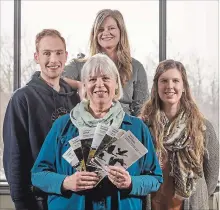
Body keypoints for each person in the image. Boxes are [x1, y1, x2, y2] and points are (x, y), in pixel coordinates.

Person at [31, 53, 163, 210]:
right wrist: (66, 182)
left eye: (106, 78)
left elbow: (155, 179)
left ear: (116, 85)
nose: (99, 84)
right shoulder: (62, 126)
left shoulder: (136, 128)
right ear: (85, 86)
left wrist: (131, 182)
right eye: (92, 79)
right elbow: (37, 175)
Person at [3, 29, 80, 210]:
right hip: (37, 201)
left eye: (58, 53)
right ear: (37, 57)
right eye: (47, 53)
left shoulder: (75, 99)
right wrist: (21, 202)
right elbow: (14, 156)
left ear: (66, 56)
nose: (53, 60)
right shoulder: (22, 99)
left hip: (71, 198)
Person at [139, 59, 219, 210]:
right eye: (164, 81)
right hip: (153, 204)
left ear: (183, 87)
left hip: (191, 205)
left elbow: (212, 176)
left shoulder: (202, 127)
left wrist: (197, 197)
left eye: (175, 80)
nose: (170, 86)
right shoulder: (144, 126)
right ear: (156, 87)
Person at [63, 9, 149, 116]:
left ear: (121, 31)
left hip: (125, 126)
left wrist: (136, 129)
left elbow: (142, 109)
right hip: (89, 126)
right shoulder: (79, 64)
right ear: (94, 34)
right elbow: (55, 80)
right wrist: (79, 85)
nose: (105, 33)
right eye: (100, 29)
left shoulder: (136, 67)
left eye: (111, 28)